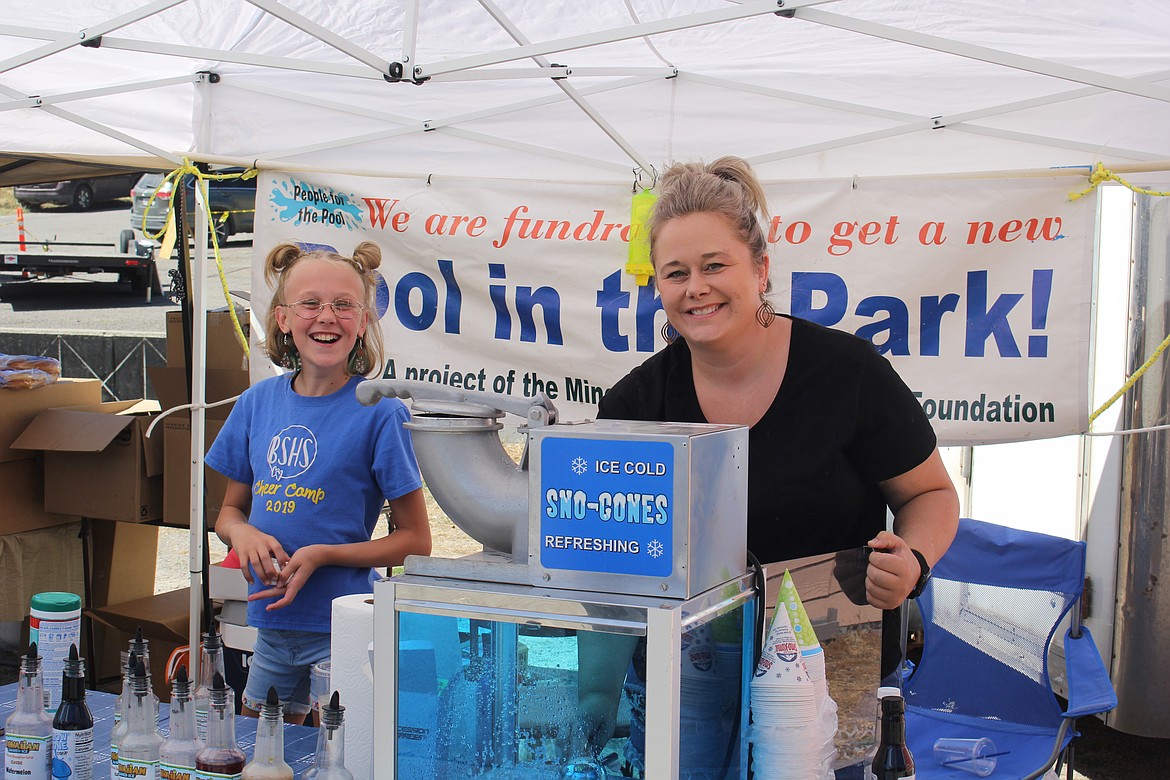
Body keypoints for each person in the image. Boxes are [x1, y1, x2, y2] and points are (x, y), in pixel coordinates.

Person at [575, 157, 960, 772]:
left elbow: (932, 495)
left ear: (760, 269)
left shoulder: (847, 374)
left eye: (714, 266)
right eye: (675, 274)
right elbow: (603, 559)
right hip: (687, 694)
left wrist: (911, 561)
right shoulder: (634, 405)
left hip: (827, 687)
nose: (694, 287)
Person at [206, 240, 431, 723]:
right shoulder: (255, 403)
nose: (326, 317)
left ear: (364, 319)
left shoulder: (381, 413)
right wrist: (242, 534)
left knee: (335, 752)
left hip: (343, 627)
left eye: (343, 305)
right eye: (310, 303)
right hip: (271, 624)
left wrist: (324, 554)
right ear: (284, 318)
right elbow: (228, 514)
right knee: (260, 748)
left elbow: (416, 541)